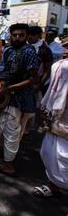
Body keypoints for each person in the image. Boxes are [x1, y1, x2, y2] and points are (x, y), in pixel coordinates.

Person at [0, 23, 39, 176]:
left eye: (21, 35)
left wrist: (9, 89)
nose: (17, 38)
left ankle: (8, 165)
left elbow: (32, 79)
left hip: (21, 99)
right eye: (14, 35)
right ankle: (4, 155)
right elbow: (2, 70)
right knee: (2, 128)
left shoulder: (29, 52)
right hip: (7, 96)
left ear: (26, 37)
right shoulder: (8, 50)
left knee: (11, 132)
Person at [33, 37, 68, 198]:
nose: (65, 51)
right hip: (56, 118)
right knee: (48, 153)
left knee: (64, 158)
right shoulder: (61, 66)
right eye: (65, 48)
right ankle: (53, 186)